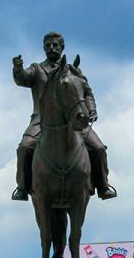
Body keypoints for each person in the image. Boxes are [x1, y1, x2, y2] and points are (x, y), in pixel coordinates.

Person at [11, 31, 115, 201]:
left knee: (99, 149)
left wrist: (92, 109)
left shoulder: (73, 70)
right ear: (44, 48)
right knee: (24, 148)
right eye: (48, 45)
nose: (51, 48)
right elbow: (22, 78)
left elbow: (87, 92)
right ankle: (22, 187)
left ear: (62, 47)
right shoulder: (37, 69)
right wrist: (17, 68)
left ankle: (103, 186)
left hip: (75, 119)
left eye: (55, 45)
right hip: (42, 121)